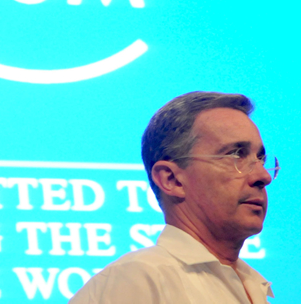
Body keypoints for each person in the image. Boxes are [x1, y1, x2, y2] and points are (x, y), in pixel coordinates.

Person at [70, 91, 278, 304]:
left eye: (260, 159)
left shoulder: (253, 285)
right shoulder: (140, 278)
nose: (263, 176)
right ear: (171, 179)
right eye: (235, 154)